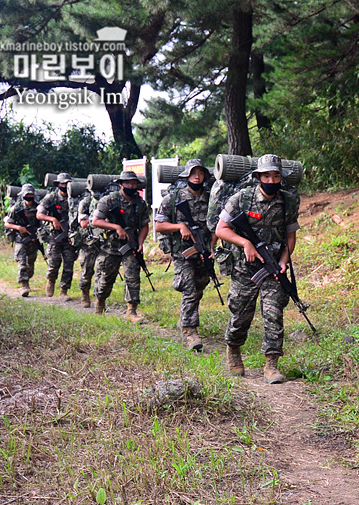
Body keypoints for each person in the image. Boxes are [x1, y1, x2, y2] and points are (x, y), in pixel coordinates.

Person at [214, 153, 300, 384]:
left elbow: (290, 235)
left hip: (272, 268)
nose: (271, 181)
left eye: (275, 176)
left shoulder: (288, 201)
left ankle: (271, 364)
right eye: (266, 176)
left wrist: (284, 258)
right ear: (258, 177)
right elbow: (221, 229)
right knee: (241, 315)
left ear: (281, 177)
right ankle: (233, 350)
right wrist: (245, 243)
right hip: (244, 268)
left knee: (274, 313)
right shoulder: (242, 198)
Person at [154, 159, 214, 351]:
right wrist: (180, 226)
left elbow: (216, 226)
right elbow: (159, 225)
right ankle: (190, 330)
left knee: (199, 286)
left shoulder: (210, 198)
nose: (197, 176)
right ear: (186, 175)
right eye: (193, 172)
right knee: (189, 288)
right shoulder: (174, 199)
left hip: (203, 251)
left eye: (200, 172)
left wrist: (212, 247)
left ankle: (185, 319)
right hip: (182, 253)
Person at [91, 170, 151, 321]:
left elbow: (145, 225)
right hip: (111, 246)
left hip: (131, 246)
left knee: (133, 276)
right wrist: (116, 228)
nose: (131, 185)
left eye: (134, 183)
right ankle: (100, 303)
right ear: (121, 184)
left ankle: (132, 311)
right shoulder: (109, 200)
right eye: (128, 183)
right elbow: (96, 221)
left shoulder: (140, 203)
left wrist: (141, 242)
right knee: (106, 278)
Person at [36, 172, 77, 299]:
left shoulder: (75, 198)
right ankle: (50, 281)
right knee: (53, 263)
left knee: (69, 264)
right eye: (62, 184)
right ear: (58, 184)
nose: (65, 186)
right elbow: (39, 214)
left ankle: (64, 290)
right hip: (54, 236)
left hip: (70, 236)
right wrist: (53, 219)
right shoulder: (51, 198)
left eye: (67, 183)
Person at [3, 183, 42, 297]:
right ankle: (23, 285)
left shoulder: (38, 208)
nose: (28, 197)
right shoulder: (17, 208)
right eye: (26, 195)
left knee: (31, 263)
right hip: (21, 239)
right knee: (22, 262)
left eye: (30, 195)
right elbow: (7, 224)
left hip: (33, 239)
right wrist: (18, 228)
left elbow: (42, 223)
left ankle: (27, 279)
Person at [75, 181, 102, 308]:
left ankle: (99, 298)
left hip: (103, 241)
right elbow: (83, 223)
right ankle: (85, 293)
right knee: (87, 271)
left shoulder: (106, 201)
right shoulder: (85, 203)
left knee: (101, 271)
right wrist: (97, 220)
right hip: (89, 242)